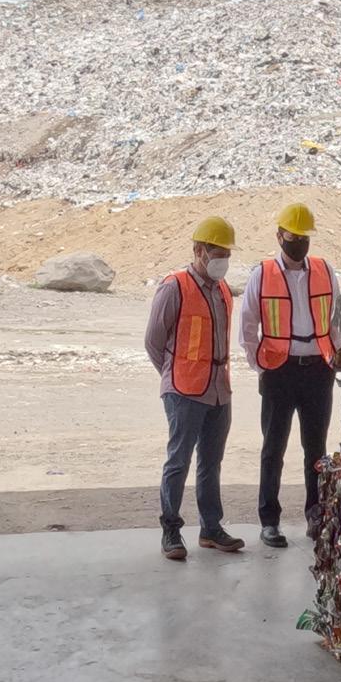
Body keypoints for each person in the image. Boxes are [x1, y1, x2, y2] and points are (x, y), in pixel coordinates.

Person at [239, 203, 341, 548]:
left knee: (316, 449)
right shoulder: (263, 273)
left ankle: (317, 515)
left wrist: (337, 359)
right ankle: (270, 521)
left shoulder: (326, 271)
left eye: (304, 236)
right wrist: (261, 365)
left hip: (317, 370)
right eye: (292, 236)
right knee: (274, 448)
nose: (298, 242)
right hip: (279, 372)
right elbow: (248, 325)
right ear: (279, 236)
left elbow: (336, 321)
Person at [145, 217, 245, 561]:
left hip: (219, 389)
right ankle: (170, 528)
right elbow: (153, 341)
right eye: (217, 253)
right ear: (199, 251)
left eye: (227, 253)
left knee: (211, 462)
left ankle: (210, 528)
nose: (223, 259)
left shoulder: (222, 289)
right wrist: (173, 378)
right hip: (184, 391)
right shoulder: (175, 286)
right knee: (179, 461)